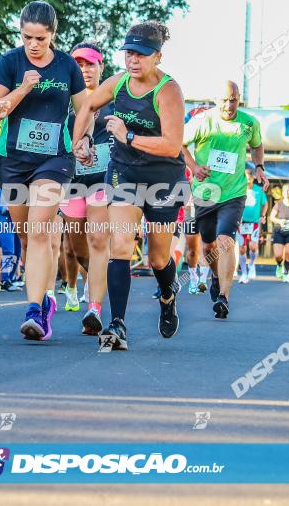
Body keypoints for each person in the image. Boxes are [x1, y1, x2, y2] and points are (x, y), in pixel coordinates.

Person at [75, 20, 188, 349]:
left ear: (158, 57)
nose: (133, 60)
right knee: (120, 244)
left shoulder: (169, 91)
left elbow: (171, 145)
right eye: (128, 53)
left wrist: (129, 135)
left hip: (164, 177)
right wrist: (80, 140)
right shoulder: (117, 83)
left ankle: (168, 294)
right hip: (125, 171)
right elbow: (88, 105)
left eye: (141, 54)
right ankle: (117, 324)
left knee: (157, 258)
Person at [0, 1, 91, 341]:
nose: (33, 44)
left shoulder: (66, 66)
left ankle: (34, 312)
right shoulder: (9, 62)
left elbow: (84, 107)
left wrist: (83, 138)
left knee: (40, 228)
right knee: (27, 237)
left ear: (52, 35)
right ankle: (44, 299)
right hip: (13, 159)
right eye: (27, 37)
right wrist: (23, 88)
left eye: (40, 38)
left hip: (54, 159)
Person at [182, 80, 267, 319]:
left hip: (234, 192)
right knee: (208, 245)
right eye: (224, 100)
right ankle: (216, 276)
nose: (229, 105)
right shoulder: (202, 121)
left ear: (239, 99)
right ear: (216, 99)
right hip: (206, 193)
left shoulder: (249, 123)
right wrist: (194, 166)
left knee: (225, 242)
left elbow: (257, 145)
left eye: (234, 100)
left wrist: (259, 167)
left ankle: (224, 298)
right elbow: (180, 145)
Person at [57, 41, 113, 334]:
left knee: (99, 240)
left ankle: (94, 308)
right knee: (78, 251)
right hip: (73, 184)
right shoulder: (64, 103)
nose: (85, 69)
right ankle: (100, 282)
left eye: (90, 64)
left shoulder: (116, 103)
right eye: (79, 64)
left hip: (104, 182)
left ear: (101, 67)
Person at [237, 165, 268, 283]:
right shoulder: (239, 189)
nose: (247, 180)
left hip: (254, 223)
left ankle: (251, 265)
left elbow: (265, 204)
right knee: (241, 249)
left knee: (253, 247)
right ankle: (244, 273)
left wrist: (263, 216)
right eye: (245, 178)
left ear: (253, 178)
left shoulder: (258, 190)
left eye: (249, 178)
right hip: (241, 223)